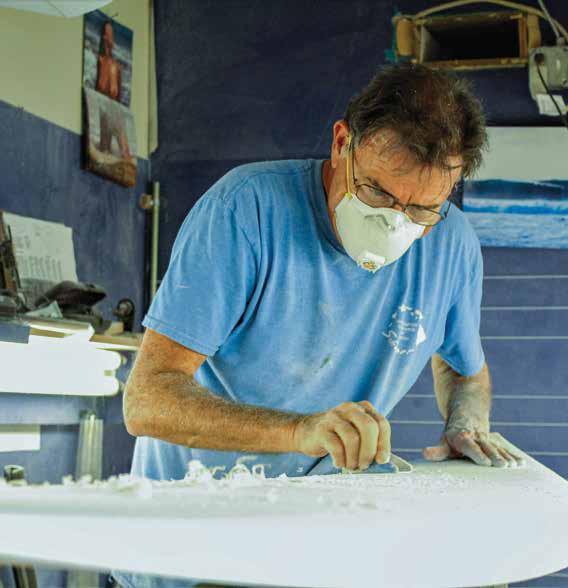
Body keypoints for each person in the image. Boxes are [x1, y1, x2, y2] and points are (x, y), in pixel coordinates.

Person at [112, 63, 523, 588]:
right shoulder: (245, 211)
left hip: (323, 539)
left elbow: (464, 369)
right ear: (342, 143)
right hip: (195, 543)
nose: (395, 223)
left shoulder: (453, 245)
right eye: (378, 194)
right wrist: (299, 431)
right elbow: (147, 400)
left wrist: (466, 423)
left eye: (422, 209)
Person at [95, 20, 132, 162]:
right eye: (108, 33)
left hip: (114, 109)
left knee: (124, 151)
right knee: (104, 149)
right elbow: (98, 87)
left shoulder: (116, 66)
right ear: (103, 37)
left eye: (111, 34)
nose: (110, 37)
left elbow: (119, 93)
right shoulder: (100, 60)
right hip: (104, 107)